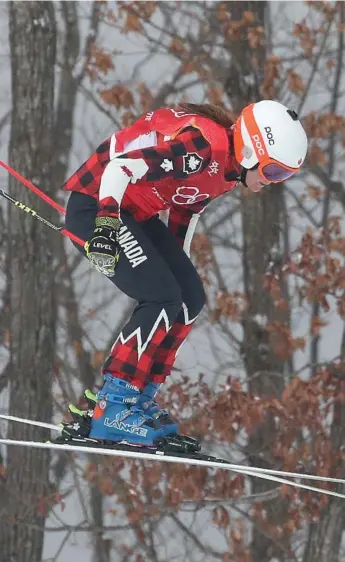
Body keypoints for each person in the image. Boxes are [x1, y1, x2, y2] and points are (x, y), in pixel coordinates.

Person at [63, 100, 308, 449]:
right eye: (274, 172)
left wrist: (179, 269)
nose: (273, 182)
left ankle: (139, 396)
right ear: (253, 150)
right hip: (98, 204)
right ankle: (112, 406)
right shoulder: (201, 149)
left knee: (188, 299)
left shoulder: (226, 171)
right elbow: (119, 169)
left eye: (283, 176)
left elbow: (184, 211)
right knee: (161, 296)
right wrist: (103, 227)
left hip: (136, 215)